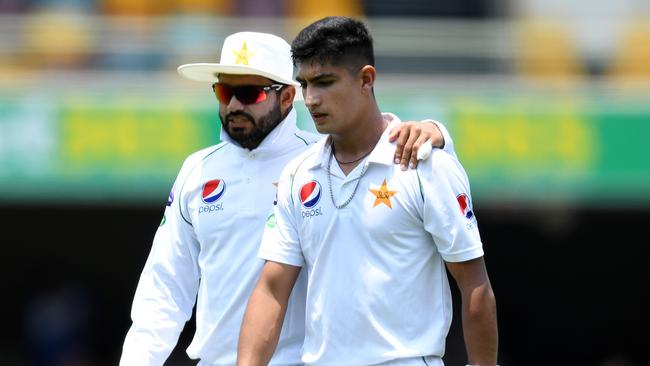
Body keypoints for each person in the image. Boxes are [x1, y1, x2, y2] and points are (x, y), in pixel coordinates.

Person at [119, 31, 455, 366]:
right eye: (225, 91)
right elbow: (164, 287)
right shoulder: (197, 170)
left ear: (286, 97)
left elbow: (383, 146)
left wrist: (437, 132)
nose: (234, 105)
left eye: (249, 93)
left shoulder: (321, 161)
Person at [237, 17, 498, 366]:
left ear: (366, 79)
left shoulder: (424, 166)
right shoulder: (297, 175)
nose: (311, 99)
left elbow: (475, 285)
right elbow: (271, 290)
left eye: (325, 82)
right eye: (304, 85)